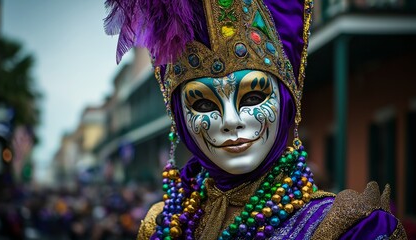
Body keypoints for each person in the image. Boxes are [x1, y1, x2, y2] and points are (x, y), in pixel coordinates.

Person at [104, 0, 407, 239]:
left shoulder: (349, 230)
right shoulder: (162, 224)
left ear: (286, 101)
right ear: (180, 120)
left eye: (252, 97)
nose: (230, 121)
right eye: (203, 103)